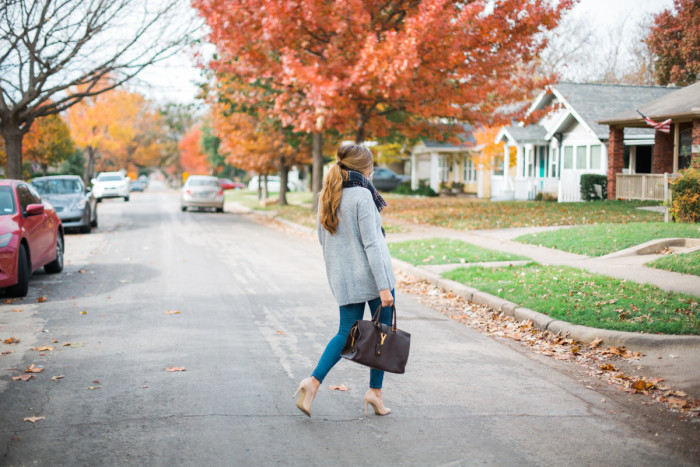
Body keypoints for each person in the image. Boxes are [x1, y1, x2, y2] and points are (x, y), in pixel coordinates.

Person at [293, 143, 396, 417]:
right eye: (371, 165)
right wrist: (384, 287)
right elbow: (373, 244)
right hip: (375, 277)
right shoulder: (363, 195)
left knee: (345, 333)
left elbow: (322, 239)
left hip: (344, 276)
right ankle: (374, 392)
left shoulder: (327, 195)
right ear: (364, 168)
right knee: (381, 335)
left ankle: (312, 383)